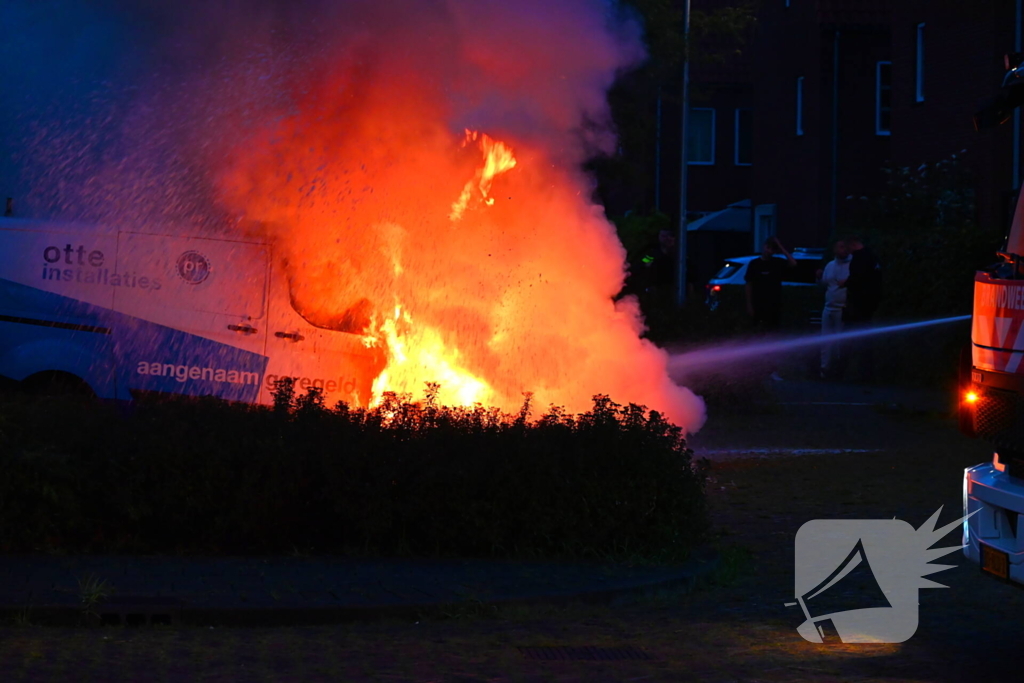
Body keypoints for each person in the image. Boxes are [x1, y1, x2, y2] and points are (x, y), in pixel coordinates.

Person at [745, 236, 797, 379]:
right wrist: (749, 305)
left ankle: (771, 370)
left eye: (772, 249)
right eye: (768, 247)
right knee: (757, 337)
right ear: (763, 247)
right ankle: (755, 368)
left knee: (773, 339)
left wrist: (781, 247)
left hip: (774, 307)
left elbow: (793, 264)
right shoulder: (754, 264)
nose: (769, 251)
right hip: (758, 306)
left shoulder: (778, 263)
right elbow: (748, 284)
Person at [838, 236, 883, 381]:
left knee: (847, 339)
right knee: (865, 340)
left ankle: (840, 373)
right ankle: (866, 374)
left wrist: (846, 282)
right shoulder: (872, 257)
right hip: (869, 306)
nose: (848, 251)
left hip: (857, 306)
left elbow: (857, 278)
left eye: (848, 247)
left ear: (852, 244)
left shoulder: (859, 259)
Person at [817, 240, 851, 379]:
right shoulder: (830, 265)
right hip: (828, 307)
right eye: (840, 247)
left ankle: (839, 370)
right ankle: (825, 369)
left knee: (839, 342)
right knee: (826, 341)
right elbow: (824, 285)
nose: (843, 250)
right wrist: (818, 278)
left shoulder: (852, 265)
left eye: (845, 247)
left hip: (842, 308)